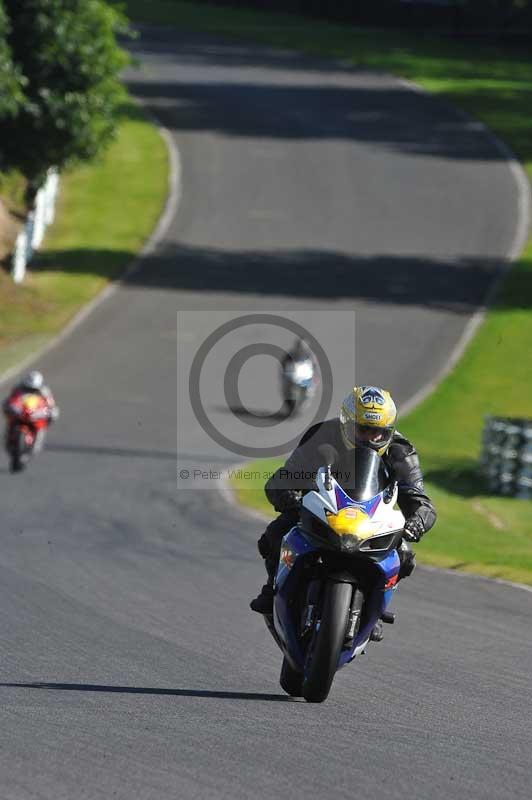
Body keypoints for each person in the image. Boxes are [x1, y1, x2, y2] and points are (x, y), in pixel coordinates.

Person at [250, 386, 437, 627]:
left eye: (379, 433)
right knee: (276, 533)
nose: (372, 439)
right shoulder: (322, 435)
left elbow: (419, 499)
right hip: (322, 508)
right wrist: (288, 495)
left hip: (371, 519)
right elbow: (283, 477)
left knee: (404, 555)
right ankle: (272, 587)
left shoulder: (401, 451)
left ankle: (375, 607)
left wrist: (417, 522)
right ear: (346, 423)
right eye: (364, 430)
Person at [3, 370, 59, 450]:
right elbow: (11, 399)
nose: (30, 390)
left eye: (33, 389)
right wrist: (12, 407)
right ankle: (9, 437)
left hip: (35, 413)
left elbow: (50, 403)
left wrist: (48, 411)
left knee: (54, 413)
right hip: (21, 411)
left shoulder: (44, 390)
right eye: (29, 388)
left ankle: (37, 441)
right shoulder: (18, 387)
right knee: (6, 407)